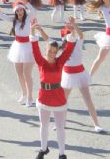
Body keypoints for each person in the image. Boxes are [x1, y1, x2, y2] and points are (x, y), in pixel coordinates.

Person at [31, 21, 76, 159]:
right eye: (50, 51)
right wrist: (32, 32)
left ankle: (62, 153)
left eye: (54, 52)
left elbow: (69, 48)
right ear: (46, 50)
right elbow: (34, 48)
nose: (51, 54)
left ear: (57, 52)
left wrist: (72, 32)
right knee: (43, 125)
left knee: (60, 127)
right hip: (44, 96)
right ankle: (43, 149)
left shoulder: (60, 61)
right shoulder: (41, 61)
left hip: (58, 97)